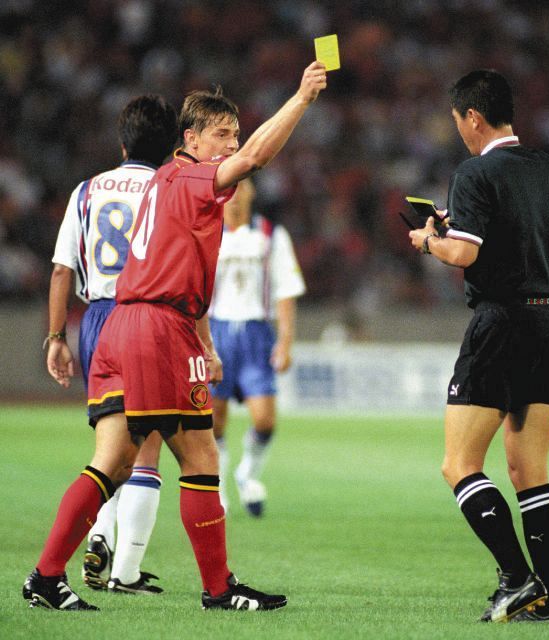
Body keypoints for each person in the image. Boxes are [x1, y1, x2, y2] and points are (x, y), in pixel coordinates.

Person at [23, 60, 327, 612]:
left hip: (121, 324)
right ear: (189, 139)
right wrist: (302, 98)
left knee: (113, 462)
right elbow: (255, 159)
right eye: (222, 134)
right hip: (160, 328)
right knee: (200, 457)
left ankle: (45, 577)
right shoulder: (188, 176)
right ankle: (218, 588)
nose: (231, 144)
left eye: (234, 132)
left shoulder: (165, 179)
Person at [409, 69, 549, 623]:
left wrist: (429, 240)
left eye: (457, 119)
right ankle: (546, 602)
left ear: (473, 117)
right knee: (531, 472)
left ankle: (518, 579)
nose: (458, 129)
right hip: (546, 322)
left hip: (500, 323)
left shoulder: (475, 171)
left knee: (459, 464)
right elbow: (523, 233)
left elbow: (464, 255)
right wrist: (459, 227)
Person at [43, 94, 179, 596]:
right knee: (146, 449)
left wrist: (56, 337)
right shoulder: (168, 190)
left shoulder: (86, 190)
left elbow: (62, 270)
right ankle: (124, 570)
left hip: (96, 318)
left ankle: (99, 533)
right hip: (146, 317)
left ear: (122, 144)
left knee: (110, 445)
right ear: (170, 147)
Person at [209, 178, 305, 516]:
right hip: (216, 332)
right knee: (214, 423)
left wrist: (285, 341)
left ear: (251, 193)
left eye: (241, 189)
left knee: (264, 420)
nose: (234, 197)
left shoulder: (270, 235)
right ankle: (218, 489)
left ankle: (247, 473)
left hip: (256, 333)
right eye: (229, 190)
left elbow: (286, 291)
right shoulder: (207, 233)